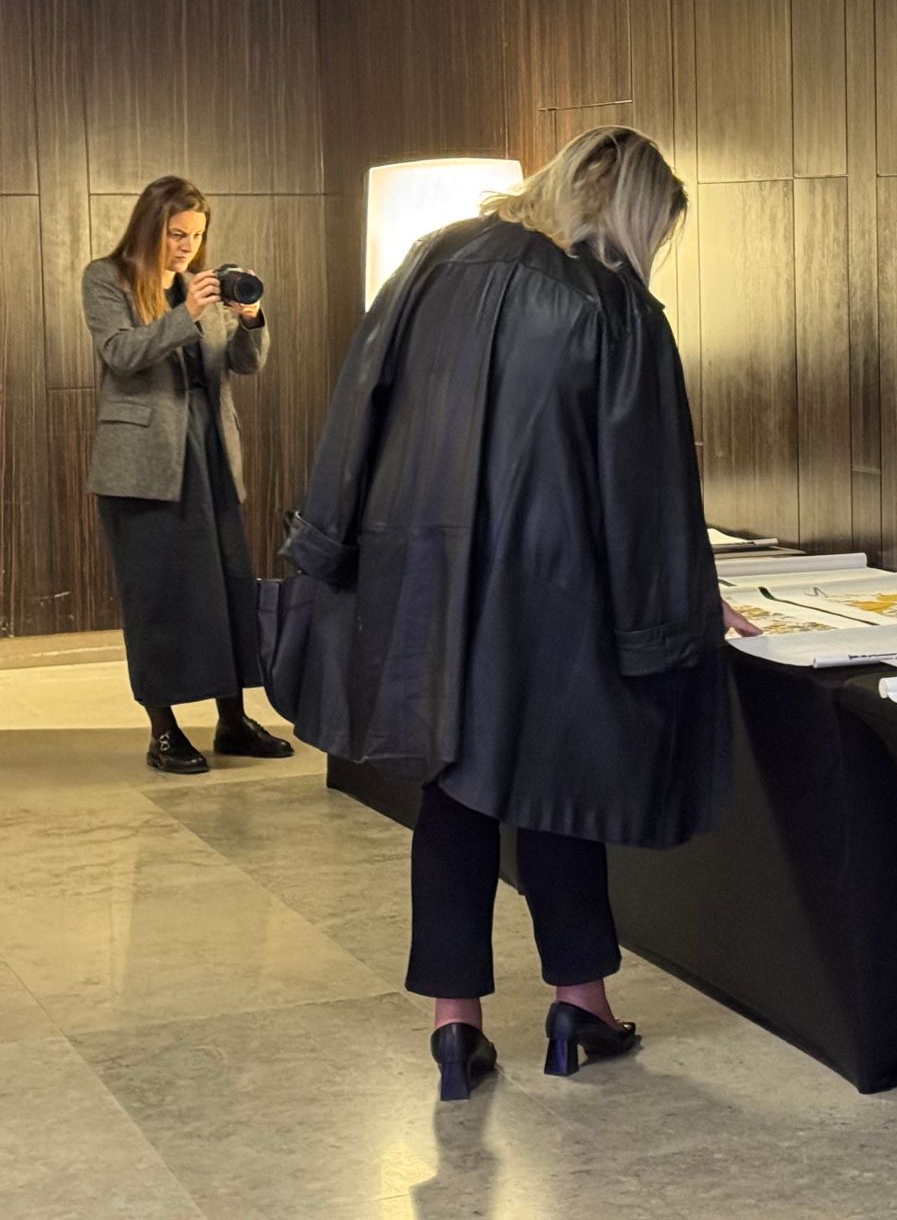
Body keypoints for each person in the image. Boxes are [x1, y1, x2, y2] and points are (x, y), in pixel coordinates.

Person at [277, 127, 759, 1101]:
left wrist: (325, 543)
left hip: (424, 571)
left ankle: (455, 1027)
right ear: (629, 213)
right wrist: (682, 604)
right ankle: (580, 1005)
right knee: (558, 786)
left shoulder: (435, 258)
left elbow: (358, 399)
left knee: (451, 788)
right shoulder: (615, 305)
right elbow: (644, 486)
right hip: (555, 585)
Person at [83, 177, 292, 774]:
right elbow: (121, 353)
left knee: (226, 589)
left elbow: (244, 365)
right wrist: (188, 313)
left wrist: (250, 317)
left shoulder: (205, 283)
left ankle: (233, 721)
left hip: (211, 452)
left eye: (196, 235)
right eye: (176, 234)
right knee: (157, 596)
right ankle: (164, 730)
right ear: (150, 226)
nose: (186, 246)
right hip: (143, 462)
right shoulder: (107, 278)